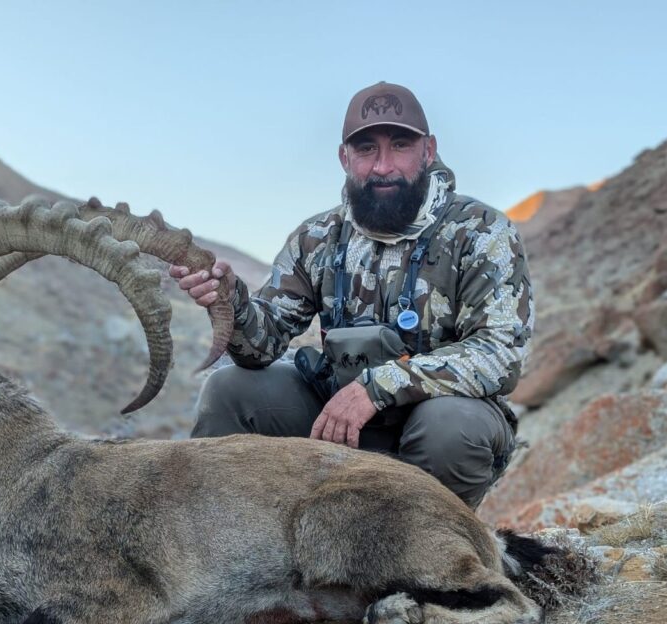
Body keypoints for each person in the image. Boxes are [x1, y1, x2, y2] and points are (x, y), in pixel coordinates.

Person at [170, 82, 532, 509]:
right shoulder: (316, 237)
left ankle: (424, 561)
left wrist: (378, 386)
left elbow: (500, 354)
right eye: (366, 150)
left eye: (400, 145)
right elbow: (261, 346)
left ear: (429, 150)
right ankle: (227, 548)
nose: (382, 166)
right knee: (228, 390)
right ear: (345, 158)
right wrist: (229, 301)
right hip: (337, 416)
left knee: (451, 429)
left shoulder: (482, 232)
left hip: (436, 419)